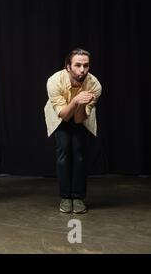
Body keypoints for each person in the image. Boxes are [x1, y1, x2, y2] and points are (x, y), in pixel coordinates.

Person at [44, 48, 102, 214]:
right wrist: (76, 100)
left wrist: (80, 104)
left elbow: (78, 119)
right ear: (68, 67)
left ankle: (77, 197)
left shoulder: (94, 85)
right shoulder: (54, 81)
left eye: (86, 65)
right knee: (63, 153)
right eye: (77, 65)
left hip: (81, 117)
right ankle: (65, 197)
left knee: (79, 154)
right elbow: (63, 114)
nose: (82, 70)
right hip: (60, 116)